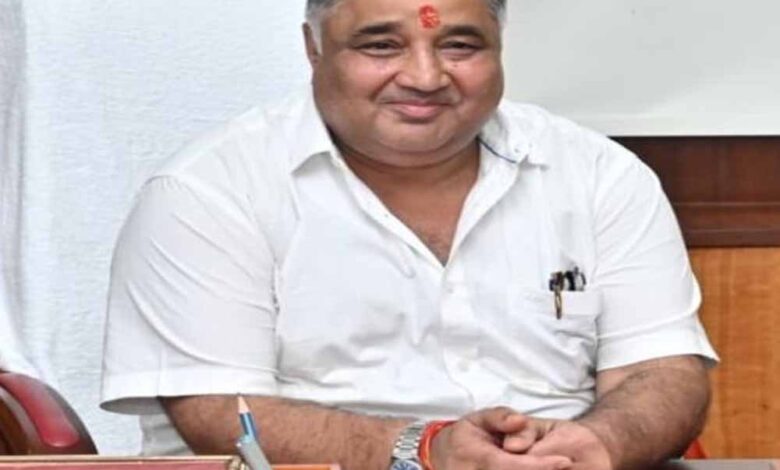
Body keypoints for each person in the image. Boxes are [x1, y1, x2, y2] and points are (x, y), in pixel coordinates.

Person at [101, 0, 718, 469]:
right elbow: (218, 413)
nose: (425, 77)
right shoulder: (208, 192)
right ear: (313, 48)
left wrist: (599, 441)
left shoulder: (598, 175)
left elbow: (663, 371)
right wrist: (425, 451)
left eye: (460, 46)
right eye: (381, 46)